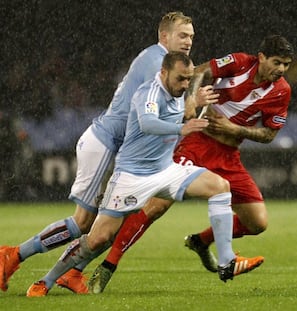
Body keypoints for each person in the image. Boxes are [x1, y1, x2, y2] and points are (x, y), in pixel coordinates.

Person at [0, 11, 215, 294]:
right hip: (104, 142)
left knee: (114, 221)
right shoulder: (155, 63)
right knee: (83, 223)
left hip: (122, 149)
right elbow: (165, 118)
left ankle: (72, 273)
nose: (188, 41)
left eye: (191, 36)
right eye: (182, 35)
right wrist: (193, 104)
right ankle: (13, 256)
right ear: (165, 37)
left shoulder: (162, 63)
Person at [26, 51, 264, 297]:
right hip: (133, 176)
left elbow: (183, 110)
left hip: (166, 170)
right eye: (180, 79)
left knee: (220, 186)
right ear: (163, 73)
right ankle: (47, 280)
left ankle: (226, 262)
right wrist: (184, 124)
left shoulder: (178, 94)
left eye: (188, 79)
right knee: (98, 238)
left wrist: (195, 103)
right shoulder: (148, 93)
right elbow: (148, 123)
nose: (185, 85)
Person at [87, 34, 294, 293]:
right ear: (262, 57)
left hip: (229, 155)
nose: (281, 70)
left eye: (286, 65)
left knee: (257, 223)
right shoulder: (241, 63)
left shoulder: (282, 91)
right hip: (197, 143)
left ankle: (200, 241)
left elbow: (269, 135)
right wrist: (190, 101)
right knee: (156, 206)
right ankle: (108, 265)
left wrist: (234, 128)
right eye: (277, 62)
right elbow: (199, 71)